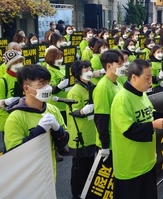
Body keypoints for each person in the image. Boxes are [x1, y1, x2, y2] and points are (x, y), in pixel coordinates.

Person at [111, 59, 163, 199]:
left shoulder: (142, 94)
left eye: (151, 78)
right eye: (147, 78)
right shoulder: (121, 99)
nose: (150, 82)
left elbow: (149, 114)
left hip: (147, 161)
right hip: (130, 166)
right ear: (134, 77)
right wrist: (153, 125)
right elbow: (129, 130)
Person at [4, 64, 69, 180]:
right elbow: (14, 154)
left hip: (50, 174)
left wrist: (57, 129)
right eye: (41, 84)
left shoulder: (53, 110)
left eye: (48, 83)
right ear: (27, 89)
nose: (47, 87)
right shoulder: (15, 118)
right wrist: (38, 131)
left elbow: (63, 143)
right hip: (29, 179)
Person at [66, 60, 96, 199]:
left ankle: (88, 192)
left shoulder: (92, 87)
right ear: (78, 73)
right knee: (79, 169)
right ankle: (76, 194)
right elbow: (72, 111)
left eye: (90, 68)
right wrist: (83, 112)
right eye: (85, 69)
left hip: (92, 133)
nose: (89, 70)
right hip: (80, 134)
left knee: (91, 165)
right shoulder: (75, 91)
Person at [93, 50, 125, 163]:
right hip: (108, 143)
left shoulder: (117, 82)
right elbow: (101, 118)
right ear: (109, 66)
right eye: (120, 63)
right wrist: (105, 145)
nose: (123, 66)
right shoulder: (103, 88)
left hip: (117, 139)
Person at [0, 50, 25, 152]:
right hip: (6, 121)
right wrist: (5, 102)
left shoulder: (23, 78)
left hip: (21, 119)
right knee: (6, 150)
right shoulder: (2, 81)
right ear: (9, 65)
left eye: (20, 61)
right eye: (15, 62)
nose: (19, 64)